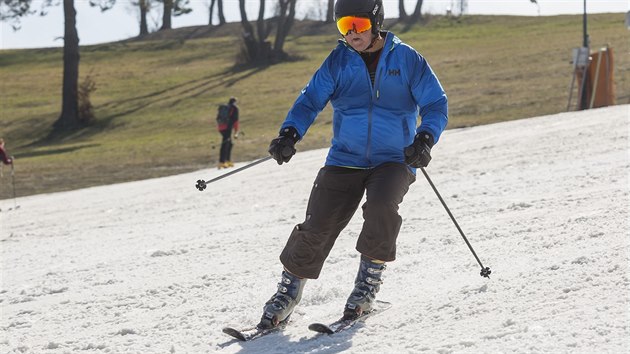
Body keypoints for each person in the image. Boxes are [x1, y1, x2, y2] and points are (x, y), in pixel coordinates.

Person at [257, 0, 448, 329]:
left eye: (358, 24)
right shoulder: (338, 61)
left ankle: (366, 286)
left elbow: (435, 102)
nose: (351, 33)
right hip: (345, 158)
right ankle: (288, 293)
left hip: (394, 159)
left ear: (375, 23)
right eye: (344, 25)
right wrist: (290, 133)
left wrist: (425, 139)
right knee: (318, 223)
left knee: (381, 208)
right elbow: (310, 98)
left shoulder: (407, 59)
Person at [217, 97, 240, 169]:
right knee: (225, 144)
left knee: (229, 144)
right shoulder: (234, 108)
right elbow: (235, 121)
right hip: (227, 128)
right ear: (235, 102)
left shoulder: (224, 108)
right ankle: (222, 162)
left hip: (221, 128)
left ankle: (227, 161)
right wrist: (236, 132)